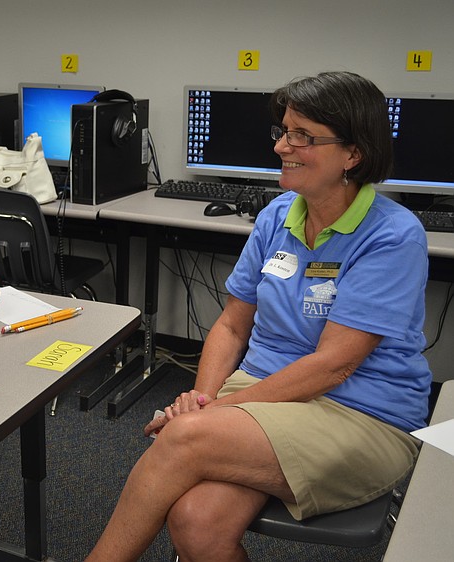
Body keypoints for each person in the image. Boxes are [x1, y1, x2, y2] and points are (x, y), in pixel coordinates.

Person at [87, 71, 431, 562]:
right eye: (283, 132)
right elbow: (231, 325)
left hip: (361, 411)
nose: (282, 147)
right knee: (196, 524)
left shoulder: (393, 236)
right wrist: (202, 396)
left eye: (303, 136)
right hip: (262, 393)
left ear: (353, 155)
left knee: (183, 437)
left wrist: (212, 414)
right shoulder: (277, 216)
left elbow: (334, 366)